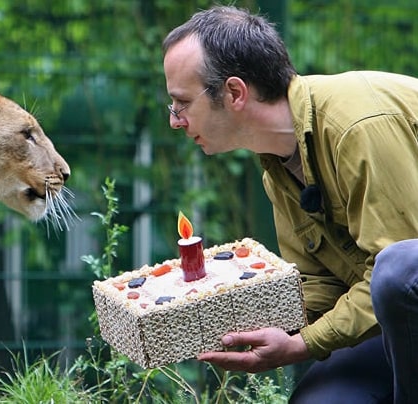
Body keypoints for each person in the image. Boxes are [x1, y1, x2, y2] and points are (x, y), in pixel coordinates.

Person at [161, 5, 418, 403]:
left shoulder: (358, 126)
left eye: (181, 103)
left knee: (397, 269)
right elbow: (324, 285)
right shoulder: (277, 170)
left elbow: (403, 277)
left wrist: (301, 345)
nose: (175, 121)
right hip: (392, 323)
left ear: (234, 93)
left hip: (405, 300)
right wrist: (224, 318)